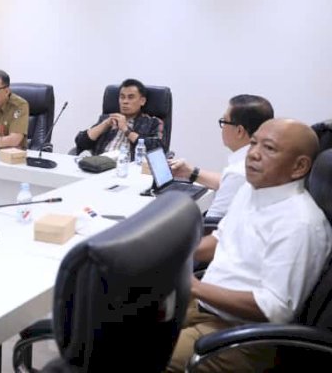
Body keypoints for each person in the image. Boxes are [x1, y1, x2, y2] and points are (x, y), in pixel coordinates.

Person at [167, 119, 332, 372]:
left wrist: (194, 286)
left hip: (241, 336)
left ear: (299, 166)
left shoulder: (300, 223)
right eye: (254, 143)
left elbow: (273, 308)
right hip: (204, 306)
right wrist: (170, 254)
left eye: (269, 148)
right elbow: (220, 241)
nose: (253, 153)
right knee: (119, 325)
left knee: (136, 356)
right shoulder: (251, 190)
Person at [169, 94, 273, 220]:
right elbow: (227, 182)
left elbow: (211, 226)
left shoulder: (239, 172)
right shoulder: (266, 158)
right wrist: (190, 172)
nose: (222, 128)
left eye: (224, 122)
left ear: (239, 131)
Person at [73, 78, 163, 155]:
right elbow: (80, 143)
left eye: (130, 97)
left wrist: (126, 130)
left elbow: (157, 149)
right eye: (122, 97)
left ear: (142, 101)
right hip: (100, 167)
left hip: (129, 170)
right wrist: (104, 125)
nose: (125, 101)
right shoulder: (107, 119)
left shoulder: (152, 122)